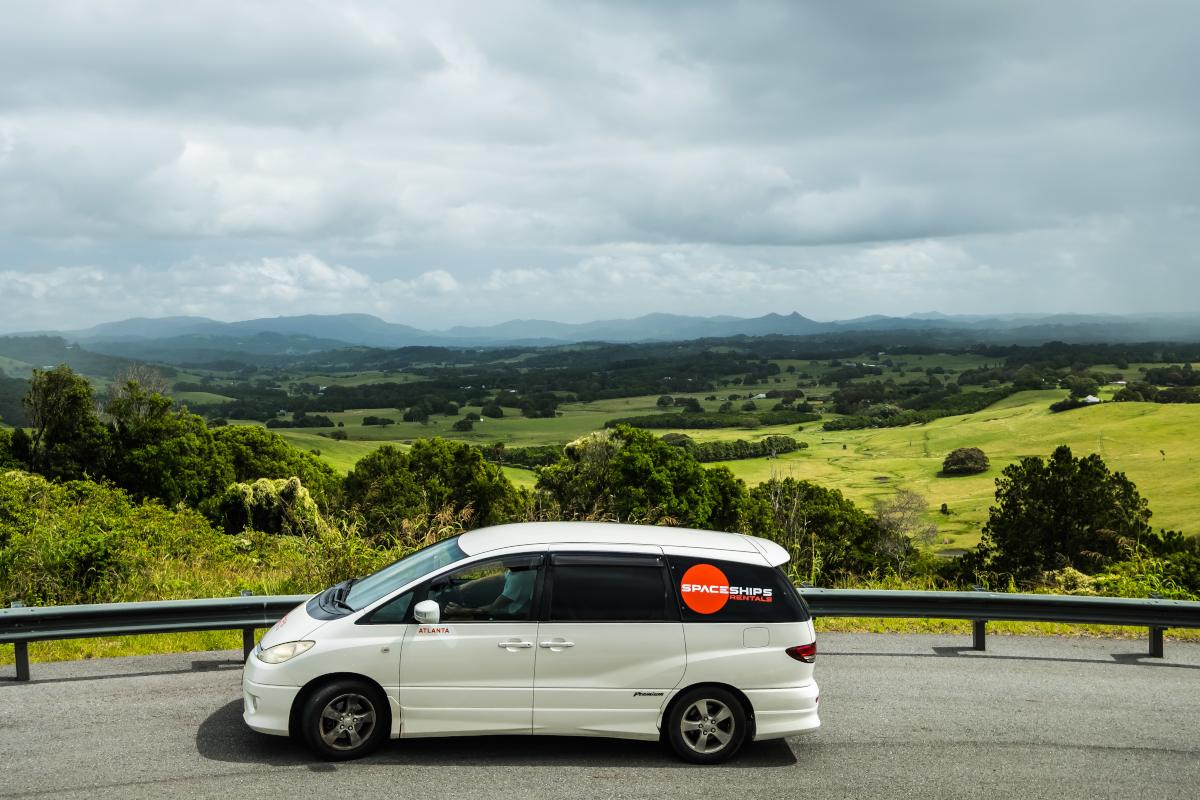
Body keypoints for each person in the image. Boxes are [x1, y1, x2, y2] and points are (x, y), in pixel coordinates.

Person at [443, 565, 536, 619]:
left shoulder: (518, 579)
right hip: (505, 610)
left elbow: (493, 608)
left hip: (507, 616)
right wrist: (466, 586)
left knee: (454, 620)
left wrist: (461, 611)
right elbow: (500, 577)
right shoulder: (520, 570)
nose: (502, 561)